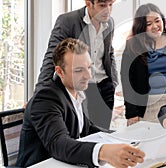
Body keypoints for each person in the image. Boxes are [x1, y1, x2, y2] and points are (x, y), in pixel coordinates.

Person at [16, 38, 145, 168]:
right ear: (60, 71)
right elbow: (59, 144)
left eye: (88, 67)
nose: (88, 76)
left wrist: (122, 139)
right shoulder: (46, 98)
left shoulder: (75, 90)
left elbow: (86, 128)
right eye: (78, 70)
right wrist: (103, 151)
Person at [35, 0, 118, 129]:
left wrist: (114, 82)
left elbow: (109, 53)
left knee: (102, 133)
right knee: (79, 134)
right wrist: (40, 93)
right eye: (102, 5)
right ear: (89, 3)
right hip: (81, 87)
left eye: (110, 5)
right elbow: (52, 57)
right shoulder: (68, 21)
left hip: (105, 87)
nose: (107, 10)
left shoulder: (109, 23)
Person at [121, 3, 166, 126]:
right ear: (141, 27)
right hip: (148, 105)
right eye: (149, 24)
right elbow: (127, 81)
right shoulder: (133, 45)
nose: (155, 26)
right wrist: (131, 113)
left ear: (162, 20)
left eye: (157, 21)